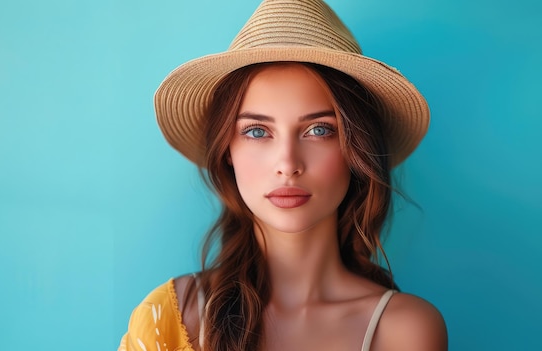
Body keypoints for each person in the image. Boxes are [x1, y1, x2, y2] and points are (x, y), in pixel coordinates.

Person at [119, 0, 448, 350]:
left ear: (356, 149)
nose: (288, 164)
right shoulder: (171, 316)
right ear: (227, 150)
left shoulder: (404, 330)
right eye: (258, 132)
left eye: (319, 130)